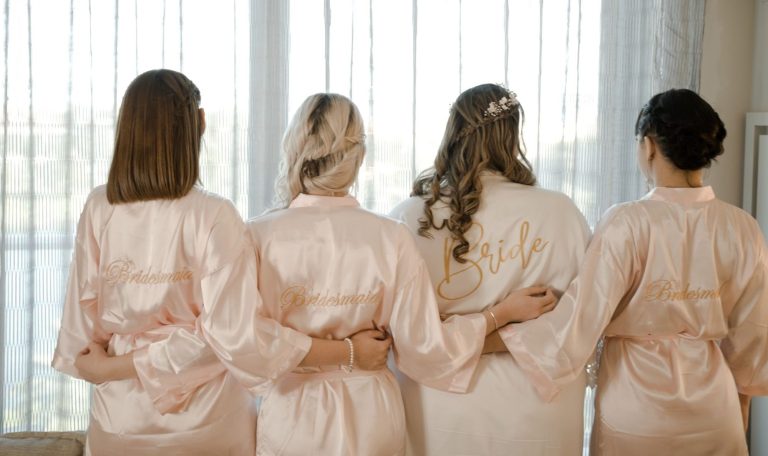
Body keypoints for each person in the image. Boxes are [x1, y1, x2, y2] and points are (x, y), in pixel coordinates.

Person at [52, 69, 390, 456]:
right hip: (208, 417)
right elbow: (229, 335)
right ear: (199, 123)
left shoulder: (100, 206)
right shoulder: (214, 215)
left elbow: (82, 325)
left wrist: (112, 368)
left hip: (120, 415)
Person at [247, 92, 557, 456]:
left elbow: (242, 341)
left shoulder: (255, 236)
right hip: (371, 415)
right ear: (358, 155)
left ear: (294, 146)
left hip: (292, 415)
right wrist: (499, 314)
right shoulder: (390, 236)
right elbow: (426, 346)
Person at [503, 88, 768, 455]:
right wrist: (737, 413)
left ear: (648, 146)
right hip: (713, 410)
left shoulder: (627, 222)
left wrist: (495, 331)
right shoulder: (743, 228)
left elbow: (582, 319)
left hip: (635, 407)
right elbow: (752, 340)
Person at [388, 83, 591, 455]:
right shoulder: (561, 213)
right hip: (534, 408)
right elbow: (581, 323)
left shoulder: (409, 217)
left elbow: (404, 334)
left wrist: (472, 335)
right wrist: (503, 322)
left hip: (439, 406)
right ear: (512, 137)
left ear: (452, 134)